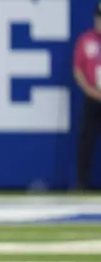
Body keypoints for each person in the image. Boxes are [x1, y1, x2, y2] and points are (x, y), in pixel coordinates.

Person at [74, 1, 101, 190]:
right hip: (92, 97)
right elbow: (78, 69)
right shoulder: (86, 40)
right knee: (87, 141)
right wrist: (90, 91)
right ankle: (82, 183)